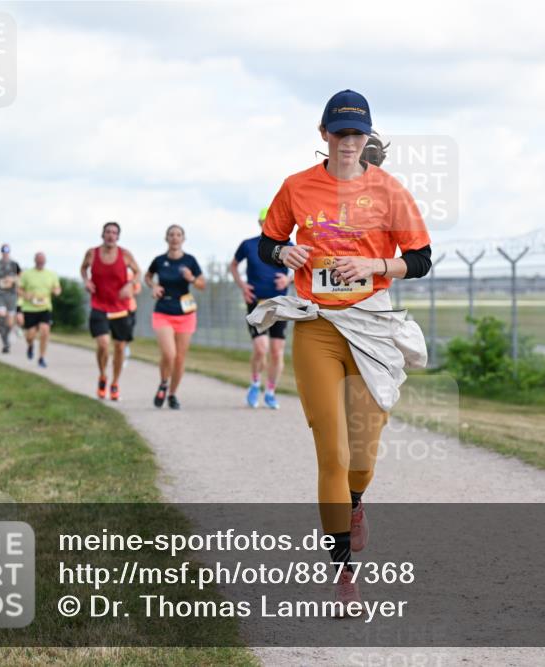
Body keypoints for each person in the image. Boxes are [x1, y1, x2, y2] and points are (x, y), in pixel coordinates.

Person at [251, 89, 432, 608]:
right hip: (317, 323)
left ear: (366, 137)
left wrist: (375, 266)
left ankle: (356, 501)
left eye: (357, 133)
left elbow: (419, 259)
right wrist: (284, 249)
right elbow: (267, 241)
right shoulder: (297, 187)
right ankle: (344, 574)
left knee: (362, 457)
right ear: (323, 134)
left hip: (371, 324)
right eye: (339, 132)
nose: (348, 142)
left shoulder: (389, 190)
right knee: (331, 451)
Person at [230, 207, 292, 409]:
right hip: (257, 303)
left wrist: (288, 279)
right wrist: (242, 285)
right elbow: (233, 265)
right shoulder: (249, 245)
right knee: (261, 348)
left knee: (276, 351)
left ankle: (271, 391)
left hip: (279, 304)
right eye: (265, 221)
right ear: (260, 223)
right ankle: (255, 383)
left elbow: (303, 268)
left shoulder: (287, 245)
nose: (269, 224)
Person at [145, 225, 206, 409]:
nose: (175, 238)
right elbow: (147, 277)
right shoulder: (159, 260)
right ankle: (163, 382)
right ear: (166, 238)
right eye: (171, 235)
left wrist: (192, 279)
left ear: (183, 239)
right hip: (163, 310)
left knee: (179, 358)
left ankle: (172, 394)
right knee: (169, 354)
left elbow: (202, 284)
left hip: (185, 313)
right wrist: (153, 286)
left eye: (178, 235)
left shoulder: (190, 260)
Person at [80, 221, 142, 401]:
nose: (110, 235)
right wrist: (86, 281)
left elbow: (137, 272)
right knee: (103, 344)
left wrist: (130, 284)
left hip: (120, 307)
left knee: (120, 347)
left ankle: (115, 382)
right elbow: (84, 268)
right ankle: (102, 376)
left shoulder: (125, 255)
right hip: (99, 304)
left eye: (114, 233)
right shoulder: (92, 253)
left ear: (118, 236)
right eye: (108, 232)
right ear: (102, 234)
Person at [19, 252, 62, 368]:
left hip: (45, 308)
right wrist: (25, 295)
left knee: (45, 331)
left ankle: (41, 357)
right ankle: (30, 345)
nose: (41, 262)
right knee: (30, 336)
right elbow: (19, 289)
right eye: (39, 260)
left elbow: (57, 288)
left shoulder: (51, 274)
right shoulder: (27, 274)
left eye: (42, 260)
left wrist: (56, 291)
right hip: (30, 309)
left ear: (45, 261)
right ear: (35, 260)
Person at [0, 245, 21, 353]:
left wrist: (12, 279)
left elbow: (20, 277)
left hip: (11, 295)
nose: (5, 253)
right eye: (4, 251)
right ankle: (5, 343)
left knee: (9, 322)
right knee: (1, 316)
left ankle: (5, 336)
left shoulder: (14, 264)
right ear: (1, 252)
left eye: (7, 251)